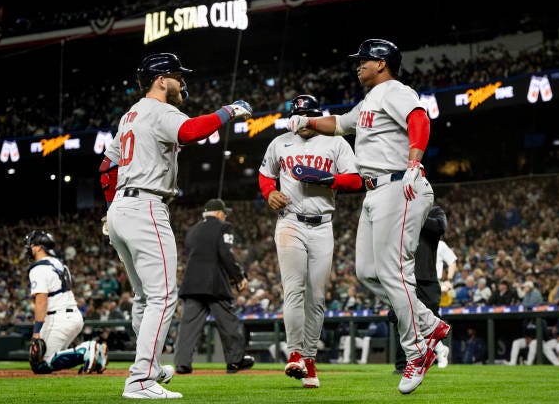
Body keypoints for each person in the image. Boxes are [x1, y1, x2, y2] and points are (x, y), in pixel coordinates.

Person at [286, 39, 448, 394]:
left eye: (364, 60)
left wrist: (415, 161)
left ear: (382, 63)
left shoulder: (395, 90)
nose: (358, 65)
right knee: (367, 272)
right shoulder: (370, 100)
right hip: (374, 190)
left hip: (398, 182)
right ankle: (428, 324)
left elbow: (418, 119)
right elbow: (341, 123)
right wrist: (310, 122)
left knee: (393, 271)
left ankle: (417, 350)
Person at [100, 52, 252, 399]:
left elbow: (106, 167)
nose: (183, 82)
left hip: (122, 207)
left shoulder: (130, 115)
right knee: (162, 296)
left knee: (143, 298)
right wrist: (227, 111)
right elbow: (190, 130)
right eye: (177, 76)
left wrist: (112, 208)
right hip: (146, 206)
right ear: (160, 80)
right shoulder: (159, 110)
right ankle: (140, 380)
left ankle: (149, 368)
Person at [258, 94, 361, 388]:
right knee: (294, 288)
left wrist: (327, 180)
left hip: (323, 225)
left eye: (308, 117)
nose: (303, 123)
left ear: (317, 116)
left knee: (316, 298)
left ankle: (310, 360)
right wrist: (269, 194)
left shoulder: (336, 142)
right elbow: (265, 175)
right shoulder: (280, 142)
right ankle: (294, 354)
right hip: (290, 222)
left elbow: (355, 179)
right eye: (299, 118)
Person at [173, 198, 255, 375]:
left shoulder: (192, 231)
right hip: (215, 284)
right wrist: (238, 276)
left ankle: (182, 363)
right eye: (224, 214)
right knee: (229, 323)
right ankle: (234, 361)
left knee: (188, 326)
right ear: (219, 213)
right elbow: (225, 254)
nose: (225, 217)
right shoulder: (223, 227)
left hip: (192, 283)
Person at [24, 230, 108, 374]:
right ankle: (96, 356)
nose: (29, 248)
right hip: (72, 316)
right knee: (50, 359)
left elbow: (41, 301)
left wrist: (36, 332)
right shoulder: (58, 263)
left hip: (58, 319)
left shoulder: (39, 268)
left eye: (31, 245)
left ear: (38, 247)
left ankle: (86, 350)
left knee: (42, 364)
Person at [388, 205, 451, 375]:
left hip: (428, 279)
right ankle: (402, 365)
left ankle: (435, 353)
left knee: (429, 322)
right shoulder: (401, 212)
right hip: (405, 277)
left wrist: (412, 214)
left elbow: (440, 226)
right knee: (401, 320)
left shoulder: (434, 212)